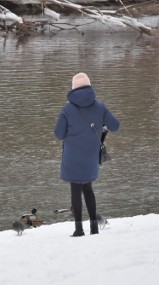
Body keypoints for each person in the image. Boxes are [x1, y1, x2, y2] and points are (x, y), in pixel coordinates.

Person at [54, 73, 120, 237]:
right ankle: (94, 228)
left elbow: (58, 134)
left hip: (72, 157)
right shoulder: (100, 107)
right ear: (89, 87)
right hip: (91, 156)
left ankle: (78, 229)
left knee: (75, 190)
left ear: (73, 89)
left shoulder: (67, 109)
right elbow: (115, 126)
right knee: (88, 189)